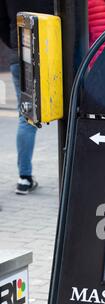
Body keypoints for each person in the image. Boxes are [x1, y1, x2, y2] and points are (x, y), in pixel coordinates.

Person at [0, 1, 53, 195]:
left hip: (22, 56)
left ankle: (24, 178)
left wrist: (17, 47)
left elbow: (2, 23)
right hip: (54, 54)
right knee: (70, 115)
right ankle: (71, 172)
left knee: (26, 118)